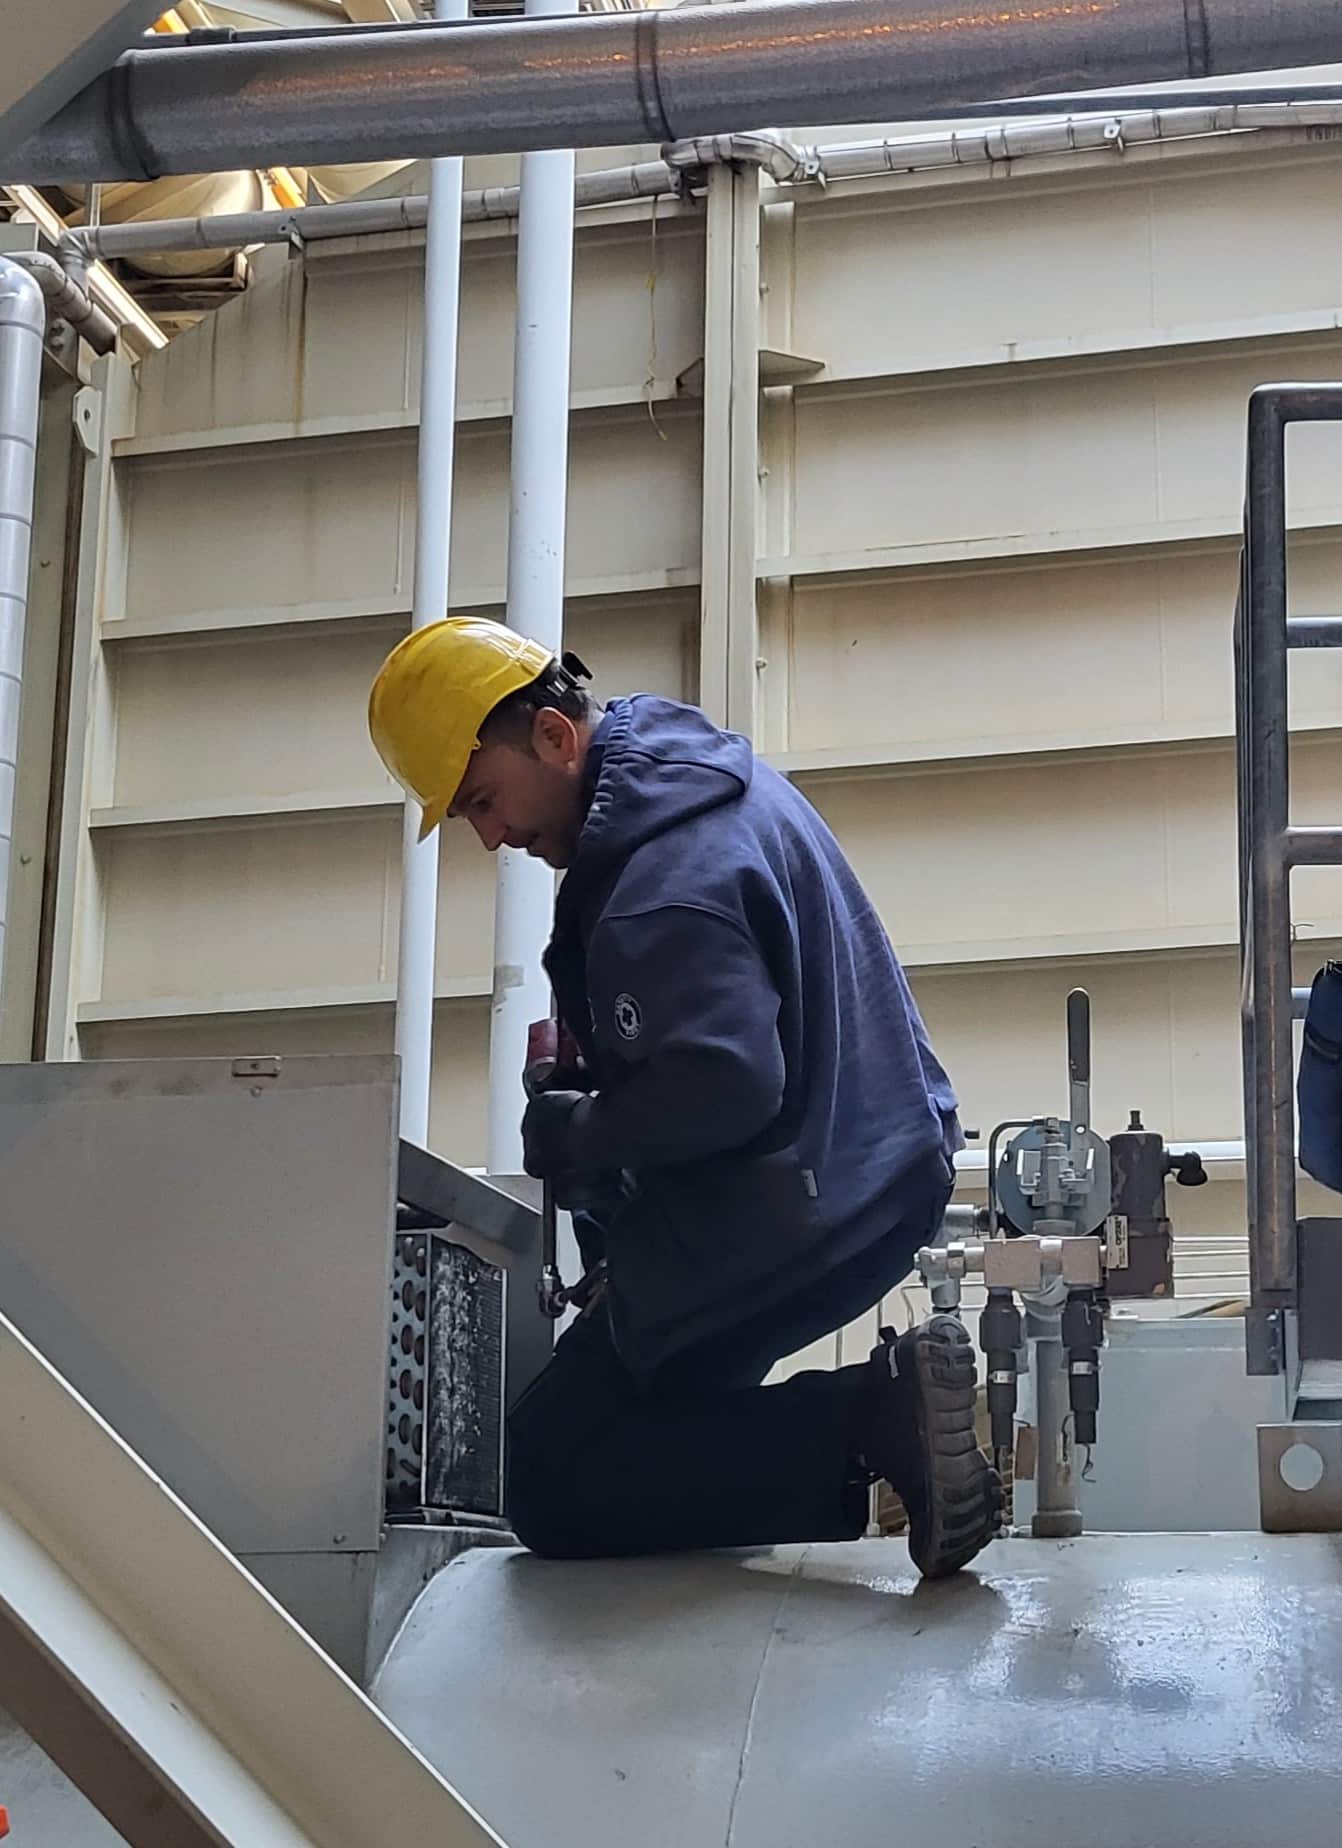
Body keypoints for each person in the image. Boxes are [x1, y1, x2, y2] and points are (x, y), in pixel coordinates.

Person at [367, 617, 1003, 1575]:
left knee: (554, 1469)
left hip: (807, 1202)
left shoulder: (659, 883)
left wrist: (581, 1132)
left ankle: (881, 1418)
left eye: (485, 800)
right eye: (468, 817)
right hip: (871, 1164)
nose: (492, 835)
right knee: (650, 1411)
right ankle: (879, 1437)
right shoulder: (688, 779)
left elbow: (727, 1087)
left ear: (553, 736)